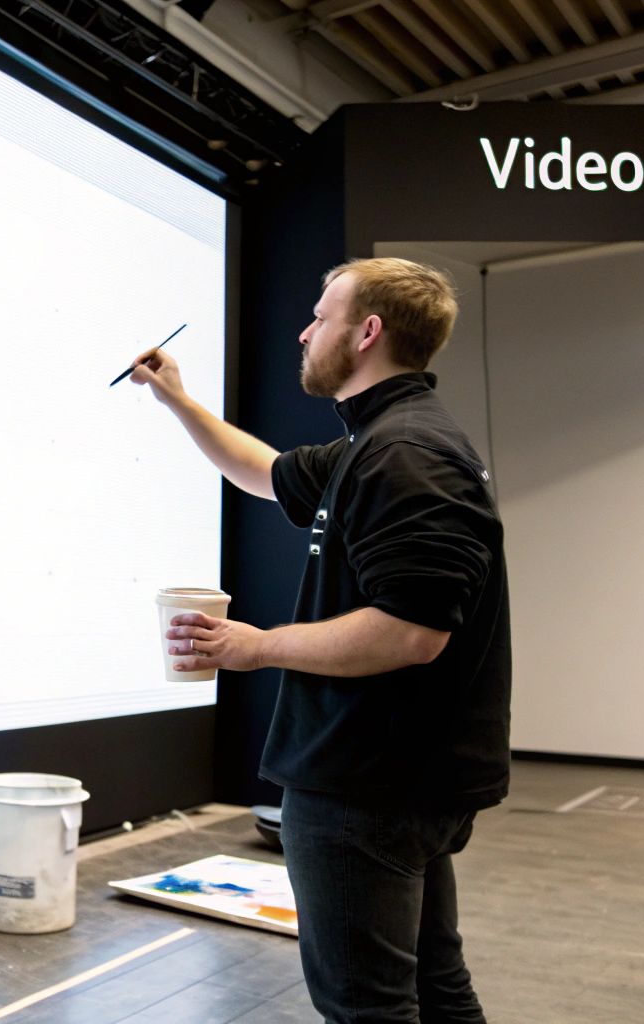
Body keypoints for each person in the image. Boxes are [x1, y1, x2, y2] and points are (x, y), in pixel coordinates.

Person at [128, 257, 511, 1023]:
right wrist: (176, 399)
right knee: (435, 986)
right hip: (397, 776)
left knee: (369, 1007)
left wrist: (255, 646)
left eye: (320, 316)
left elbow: (411, 632)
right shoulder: (378, 444)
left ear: (367, 332)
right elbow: (264, 472)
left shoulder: (405, 454)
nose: (303, 332)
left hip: (367, 785)